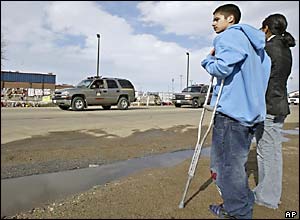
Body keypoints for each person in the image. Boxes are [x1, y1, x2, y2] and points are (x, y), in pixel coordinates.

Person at [201, 4, 271, 219]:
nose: (213, 23)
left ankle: (237, 213)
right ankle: (243, 203)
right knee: (236, 165)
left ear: (230, 19)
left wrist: (207, 60)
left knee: (226, 168)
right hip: (251, 114)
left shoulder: (228, 37)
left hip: (231, 113)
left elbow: (222, 68)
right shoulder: (259, 47)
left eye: (217, 19)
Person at [253, 14, 296, 209]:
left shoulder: (269, 48)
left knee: (266, 154)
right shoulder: (285, 49)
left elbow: (260, 78)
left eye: (262, 30)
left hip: (269, 106)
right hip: (280, 105)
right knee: (274, 153)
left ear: (266, 29)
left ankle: (267, 198)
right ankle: (269, 193)